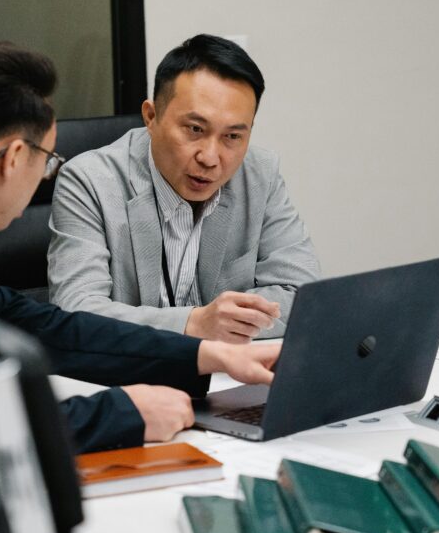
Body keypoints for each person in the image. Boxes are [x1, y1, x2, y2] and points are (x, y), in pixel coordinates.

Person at [0, 41, 280, 452]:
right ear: (15, 155)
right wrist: (124, 413)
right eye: (47, 159)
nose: (45, 174)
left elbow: (47, 327)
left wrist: (207, 355)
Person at [48, 34, 320, 342]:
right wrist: (193, 323)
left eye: (232, 136)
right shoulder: (89, 181)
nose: (210, 158)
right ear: (151, 117)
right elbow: (75, 312)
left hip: (228, 376)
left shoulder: (261, 175)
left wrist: (226, 325)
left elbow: (301, 295)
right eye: (195, 129)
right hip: (133, 378)